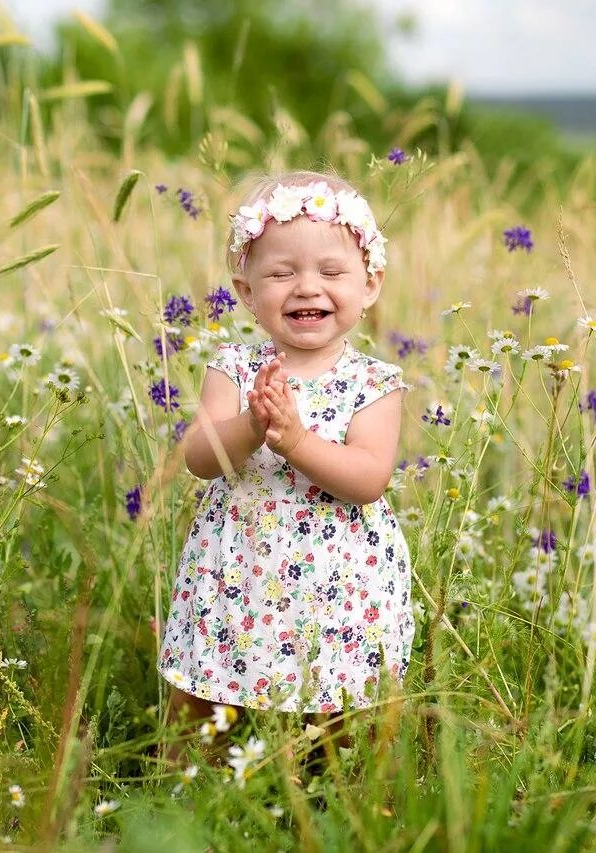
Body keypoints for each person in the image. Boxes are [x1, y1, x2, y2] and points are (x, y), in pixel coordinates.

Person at [158, 170, 415, 765]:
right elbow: (198, 458)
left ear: (369, 284)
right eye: (280, 273)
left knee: (337, 705)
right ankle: (200, 786)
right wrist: (251, 426)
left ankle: (334, 791)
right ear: (246, 291)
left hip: (340, 583)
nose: (306, 288)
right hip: (237, 572)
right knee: (212, 693)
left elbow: (367, 478)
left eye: (331, 272)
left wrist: (295, 439)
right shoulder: (235, 367)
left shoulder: (374, 382)